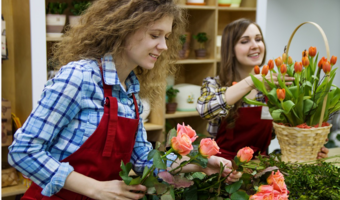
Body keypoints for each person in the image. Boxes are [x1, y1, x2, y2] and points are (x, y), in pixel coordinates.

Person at [8, 1, 241, 199]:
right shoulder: (79, 77)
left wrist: (200, 163)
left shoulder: (131, 94)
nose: (164, 46)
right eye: (154, 35)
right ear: (124, 28)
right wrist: (95, 188)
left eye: (167, 36)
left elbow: (143, 160)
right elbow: (22, 151)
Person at [196, 18, 329, 161]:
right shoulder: (214, 84)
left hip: (260, 169)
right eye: (244, 41)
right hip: (222, 169)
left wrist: (308, 147)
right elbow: (205, 109)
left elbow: (288, 134)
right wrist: (252, 82)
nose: (255, 46)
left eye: (258, 39)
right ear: (231, 50)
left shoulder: (275, 89)